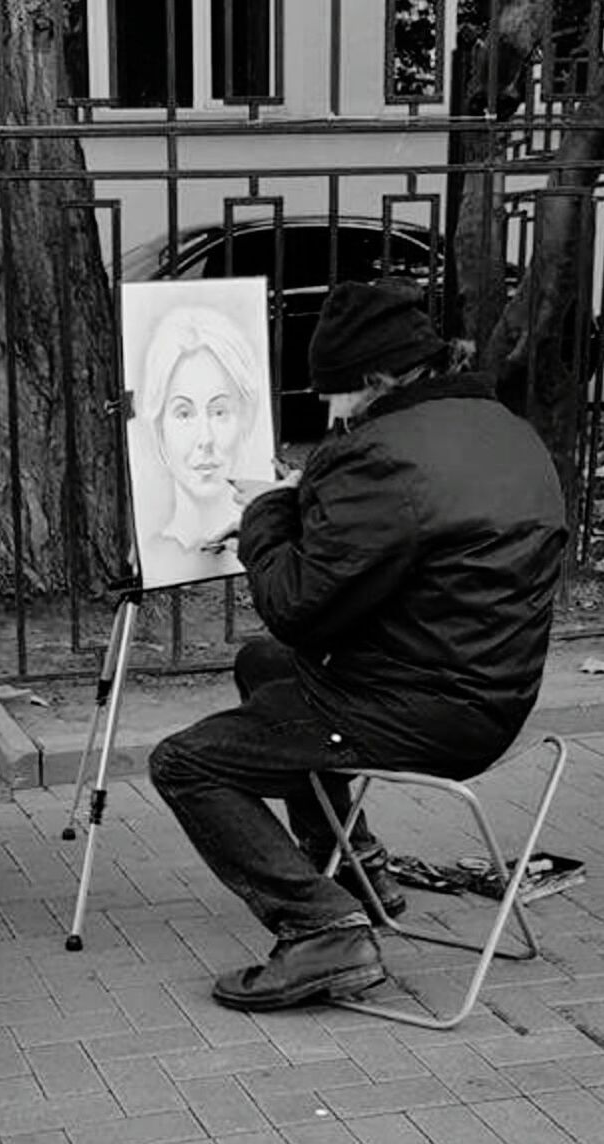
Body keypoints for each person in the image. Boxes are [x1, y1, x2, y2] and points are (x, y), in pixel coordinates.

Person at [149, 281, 567, 1011]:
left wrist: (267, 512)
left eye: (335, 396)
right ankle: (352, 866)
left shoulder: (380, 457)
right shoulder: (500, 426)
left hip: (422, 711)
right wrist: (313, 495)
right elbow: (409, 543)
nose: (331, 414)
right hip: (490, 689)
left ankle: (321, 932)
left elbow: (295, 608)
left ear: (374, 381)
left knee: (184, 762)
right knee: (262, 667)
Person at [133, 305, 264, 586]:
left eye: (219, 412)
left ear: (246, 420)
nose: (205, 439)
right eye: (184, 414)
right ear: (158, 427)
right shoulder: (152, 551)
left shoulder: (271, 540)